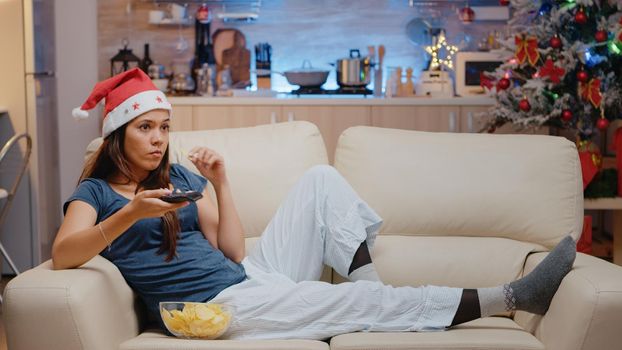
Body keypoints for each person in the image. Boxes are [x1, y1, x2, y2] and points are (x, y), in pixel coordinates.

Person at [53, 68, 577, 341]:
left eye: (164, 127)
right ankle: (511, 295)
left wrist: (222, 182)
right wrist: (131, 214)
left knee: (322, 180)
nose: (158, 139)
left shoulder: (180, 178)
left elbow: (233, 252)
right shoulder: (97, 193)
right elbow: (64, 255)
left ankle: (377, 302)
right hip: (207, 311)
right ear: (118, 136)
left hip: (246, 277)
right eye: (145, 128)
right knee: (347, 304)